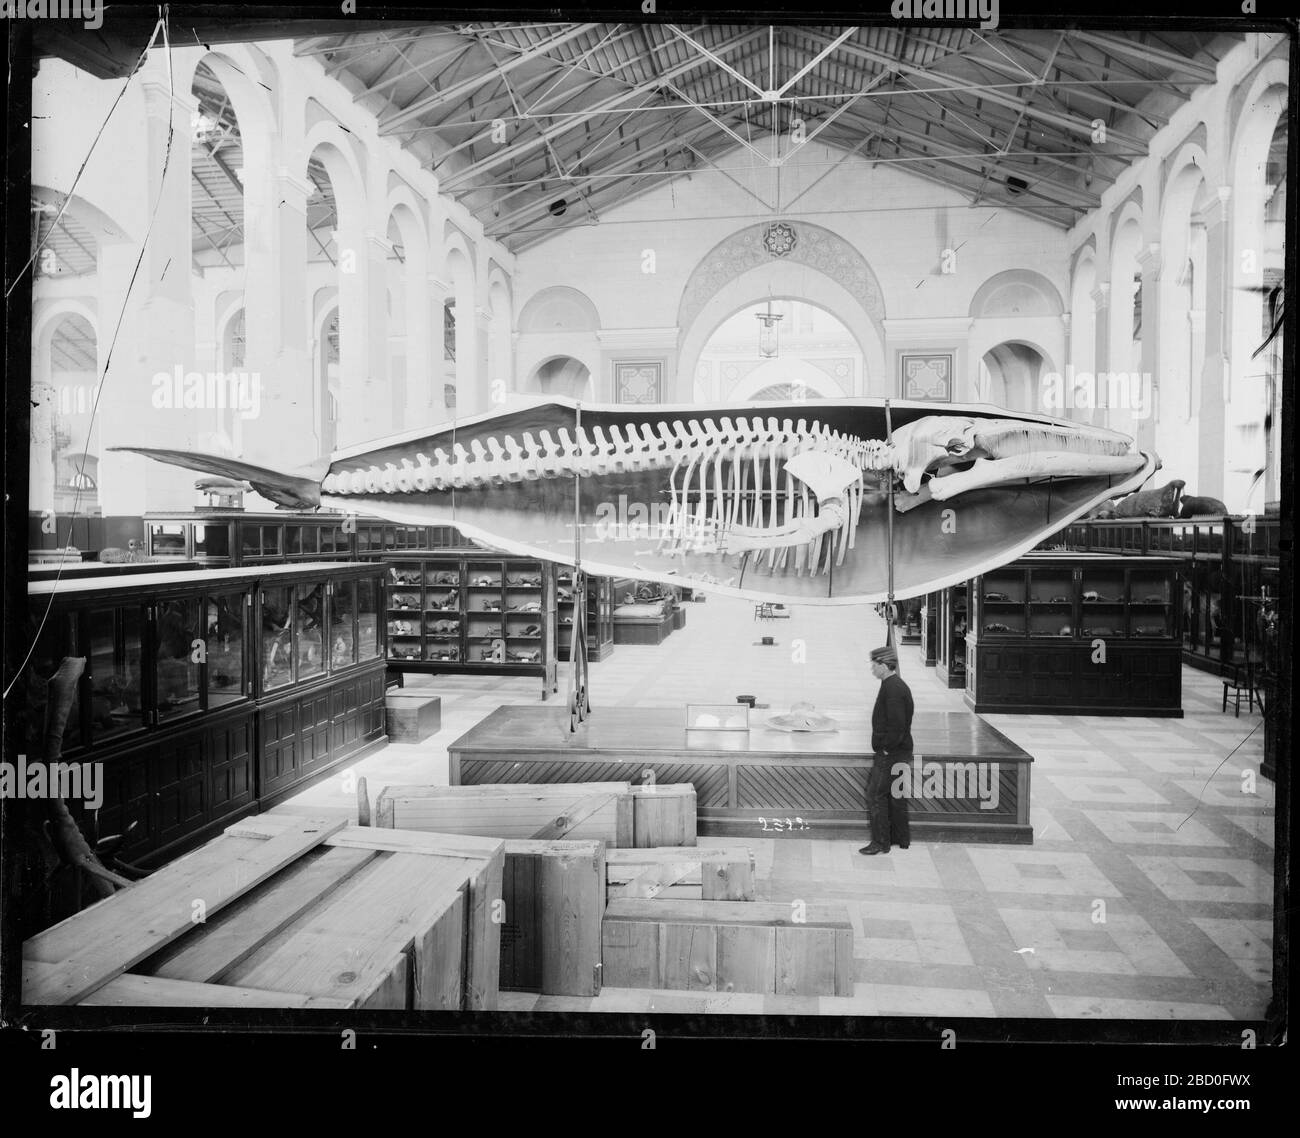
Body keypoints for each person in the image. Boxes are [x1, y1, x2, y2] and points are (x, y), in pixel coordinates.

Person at [860, 644, 913, 855]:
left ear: (884, 665)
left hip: (892, 753)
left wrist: (885, 750)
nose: (872, 669)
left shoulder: (893, 689)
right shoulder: (892, 684)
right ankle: (900, 839)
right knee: (894, 797)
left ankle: (880, 843)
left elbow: (897, 725)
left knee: (875, 795)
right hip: (898, 750)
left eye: (874, 665)